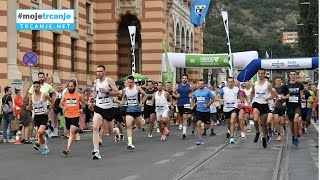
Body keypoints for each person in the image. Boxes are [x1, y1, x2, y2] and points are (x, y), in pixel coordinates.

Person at [90, 65, 120, 160]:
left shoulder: (109, 81)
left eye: (100, 71)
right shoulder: (96, 82)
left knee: (109, 131)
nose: (98, 73)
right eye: (97, 71)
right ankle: (96, 151)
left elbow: (117, 92)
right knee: (95, 128)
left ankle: (116, 131)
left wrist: (107, 91)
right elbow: (94, 93)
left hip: (109, 108)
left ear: (104, 72)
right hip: (99, 107)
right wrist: (92, 96)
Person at [249, 68, 274, 148]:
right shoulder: (254, 84)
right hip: (256, 103)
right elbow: (252, 93)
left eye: (262, 73)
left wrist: (268, 98)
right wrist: (250, 101)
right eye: (259, 73)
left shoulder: (268, 84)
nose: (261, 75)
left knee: (264, 124)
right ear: (257, 74)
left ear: (264, 74)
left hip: (264, 104)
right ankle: (257, 132)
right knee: (255, 119)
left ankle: (264, 138)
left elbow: (273, 95)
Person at [121, 75, 147, 150]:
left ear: (133, 82)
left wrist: (142, 102)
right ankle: (130, 143)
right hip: (129, 109)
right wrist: (121, 103)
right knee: (128, 125)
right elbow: (124, 98)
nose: (129, 84)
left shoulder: (137, 88)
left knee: (139, 126)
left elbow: (145, 95)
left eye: (131, 82)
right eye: (128, 82)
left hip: (137, 109)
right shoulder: (125, 90)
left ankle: (142, 122)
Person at [28, 81, 54, 155]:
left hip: (43, 116)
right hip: (37, 116)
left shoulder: (44, 95)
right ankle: (46, 145)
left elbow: (52, 101)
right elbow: (30, 107)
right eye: (34, 87)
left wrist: (48, 110)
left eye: (37, 86)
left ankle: (41, 145)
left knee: (39, 132)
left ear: (40, 87)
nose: (35, 88)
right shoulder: (31, 96)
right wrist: (29, 106)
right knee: (40, 133)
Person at [60, 80, 85, 155]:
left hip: (75, 115)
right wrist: (63, 107)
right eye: (69, 86)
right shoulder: (65, 94)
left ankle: (67, 149)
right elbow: (60, 104)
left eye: (72, 86)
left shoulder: (78, 95)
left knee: (71, 132)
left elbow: (83, 104)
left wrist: (82, 109)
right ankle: (77, 129)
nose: (70, 88)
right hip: (67, 115)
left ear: (74, 86)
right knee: (69, 132)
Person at [191, 79, 220, 145]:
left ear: (203, 84)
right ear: (198, 84)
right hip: (199, 110)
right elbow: (192, 99)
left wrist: (207, 104)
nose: (200, 85)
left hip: (206, 111)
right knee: (198, 123)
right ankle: (200, 139)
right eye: (199, 84)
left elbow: (213, 99)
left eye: (202, 84)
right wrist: (192, 106)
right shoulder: (196, 92)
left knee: (206, 127)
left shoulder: (207, 91)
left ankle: (205, 125)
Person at [281, 70, 304, 147]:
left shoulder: (299, 84)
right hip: (289, 106)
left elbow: (301, 94)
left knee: (296, 120)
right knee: (292, 123)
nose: (293, 76)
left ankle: (296, 137)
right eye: (291, 74)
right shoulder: (285, 86)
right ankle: (293, 136)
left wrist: (302, 97)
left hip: (297, 105)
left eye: (294, 74)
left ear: (296, 75)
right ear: (289, 76)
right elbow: (282, 96)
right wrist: (286, 97)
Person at [173, 75, 192, 139]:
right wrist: (176, 96)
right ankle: (184, 124)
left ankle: (184, 133)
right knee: (181, 116)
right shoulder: (177, 86)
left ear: (187, 79)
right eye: (183, 78)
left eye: (185, 78)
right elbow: (173, 93)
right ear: (181, 79)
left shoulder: (189, 86)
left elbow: (192, 92)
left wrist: (191, 95)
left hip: (186, 103)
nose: (184, 79)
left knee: (185, 117)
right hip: (179, 103)